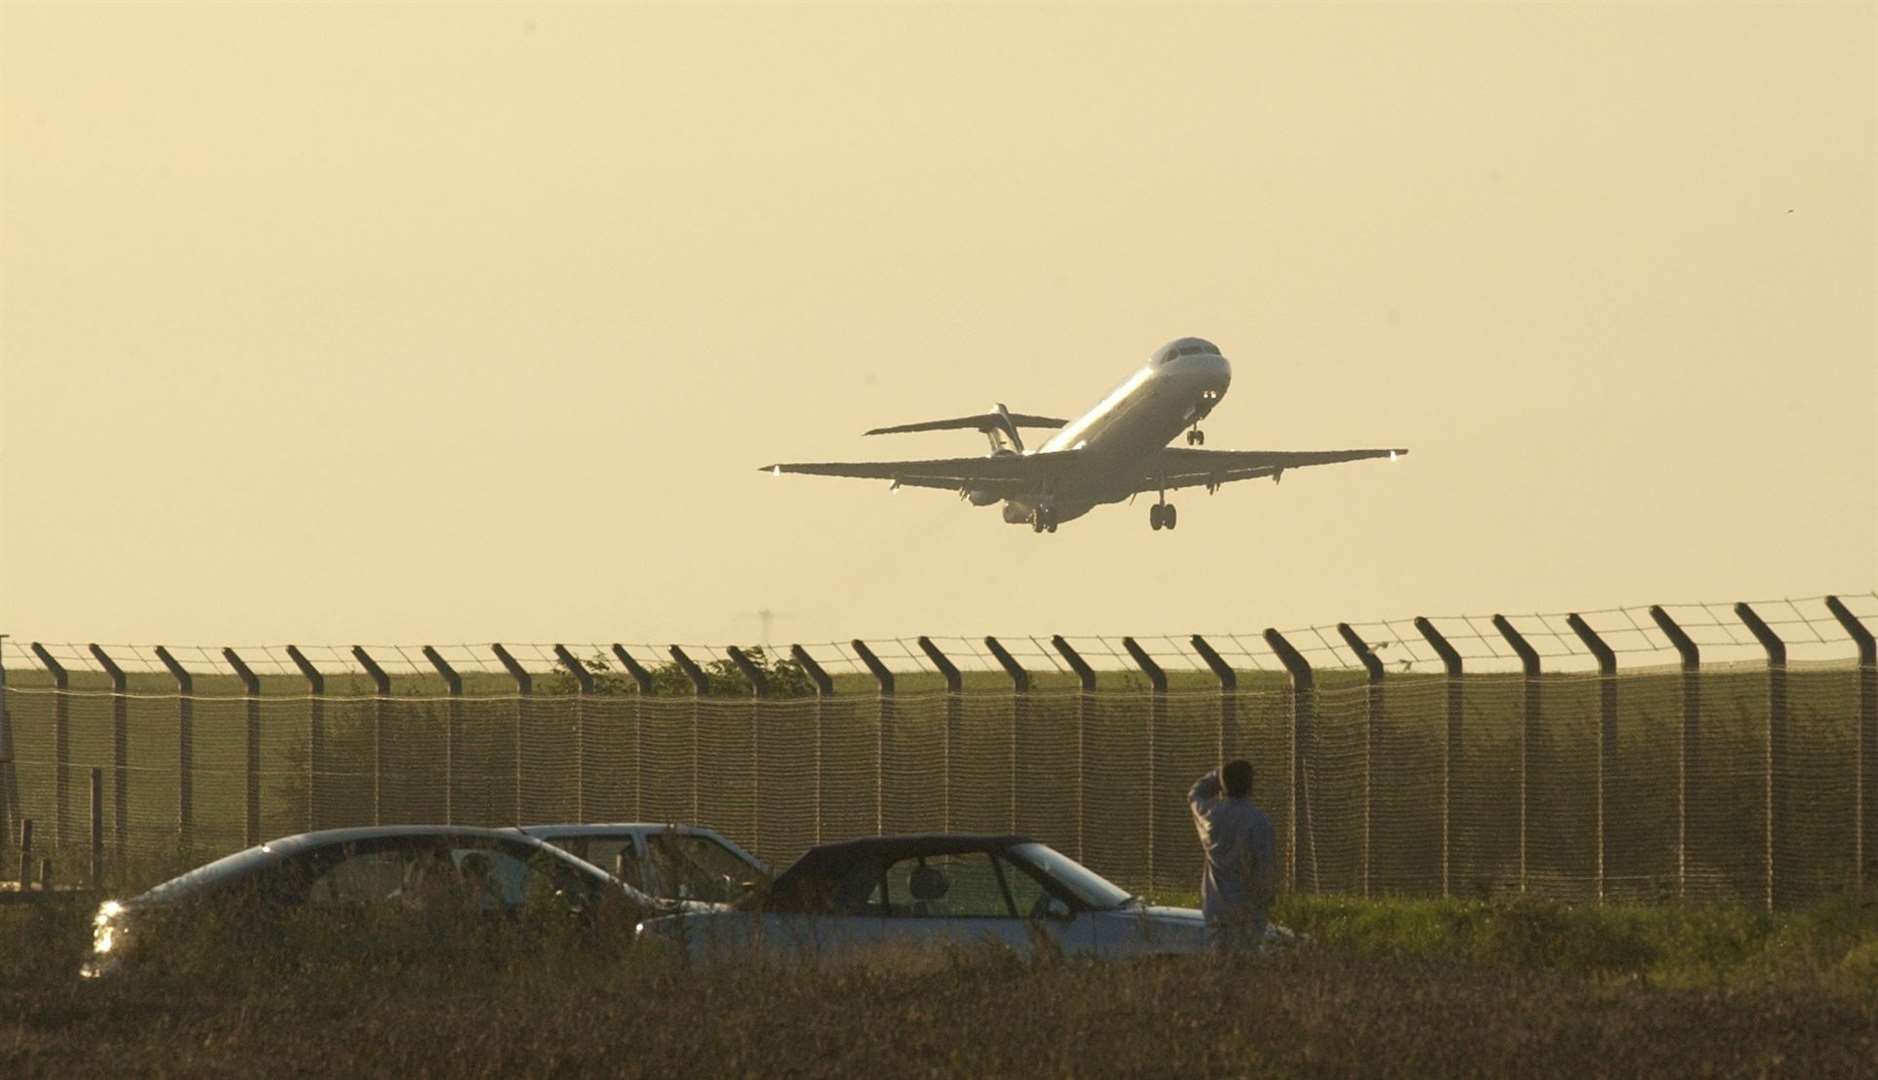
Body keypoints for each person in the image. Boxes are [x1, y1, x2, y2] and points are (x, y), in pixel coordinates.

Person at [1189, 759, 1277, 952]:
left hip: (1215, 905)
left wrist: (1217, 775)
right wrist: (1263, 900)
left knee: (1218, 959)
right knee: (1246, 960)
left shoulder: (1210, 815)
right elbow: (1264, 867)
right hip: (1247, 906)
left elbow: (1195, 793)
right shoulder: (1259, 821)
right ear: (1250, 785)